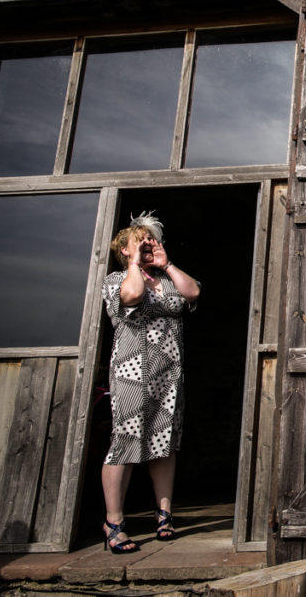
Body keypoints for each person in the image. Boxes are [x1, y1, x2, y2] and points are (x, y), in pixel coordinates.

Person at [100, 212, 200, 553]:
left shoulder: (167, 280)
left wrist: (165, 263)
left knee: (164, 441)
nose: (146, 248)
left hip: (168, 374)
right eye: (138, 244)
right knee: (125, 442)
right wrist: (133, 262)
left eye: (150, 242)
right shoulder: (116, 279)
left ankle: (164, 514)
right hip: (131, 373)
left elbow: (193, 292)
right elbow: (130, 297)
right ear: (124, 250)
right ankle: (114, 522)